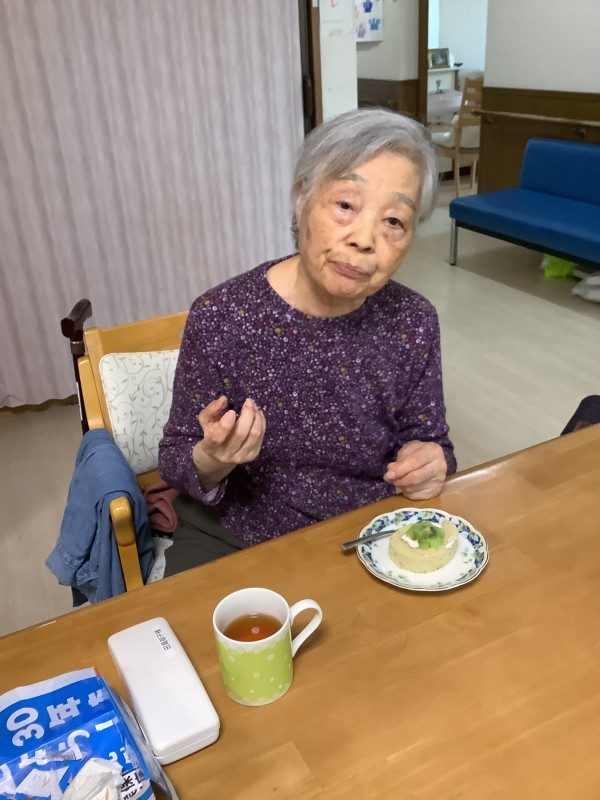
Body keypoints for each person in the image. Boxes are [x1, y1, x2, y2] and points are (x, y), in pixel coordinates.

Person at [158, 107, 456, 573]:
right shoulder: (222, 315)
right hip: (237, 532)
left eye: (394, 221)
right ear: (301, 200)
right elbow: (177, 459)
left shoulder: (413, 321)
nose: (365, 239)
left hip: (367, 531)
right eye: (346, 205)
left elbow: (431, 441)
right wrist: (213, 458)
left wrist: (430, 462)